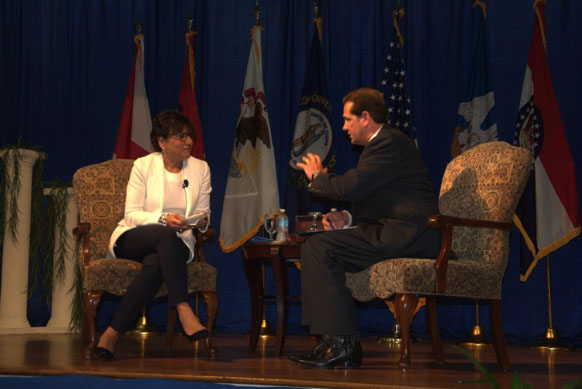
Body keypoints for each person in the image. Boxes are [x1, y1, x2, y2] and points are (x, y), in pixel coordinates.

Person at [293, 87, 440, 368]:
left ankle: (342, 343)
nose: (344, 127)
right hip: (397, 230)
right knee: (319, 244)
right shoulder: (383, 144)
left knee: (320, 247)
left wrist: (317, 179)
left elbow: (354, 185)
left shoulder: (388, 142)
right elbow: (378, 197)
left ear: (365, 117)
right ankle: (332, 342)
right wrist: (347, 219)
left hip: (411, 234)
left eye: (348, 119)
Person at [93, 110, 212, 361]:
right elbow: (132, 214)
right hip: (134, 237)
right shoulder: (143, 165)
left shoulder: (201, 168)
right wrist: (163, 220)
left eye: (190, 136)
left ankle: (111, 333)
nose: (189, 142)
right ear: (162, 142)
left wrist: (198, 221)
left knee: (158, 261)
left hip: (177, 243)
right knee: (163, 234)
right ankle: (183, 307)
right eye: (180, 136)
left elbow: (204, 214)